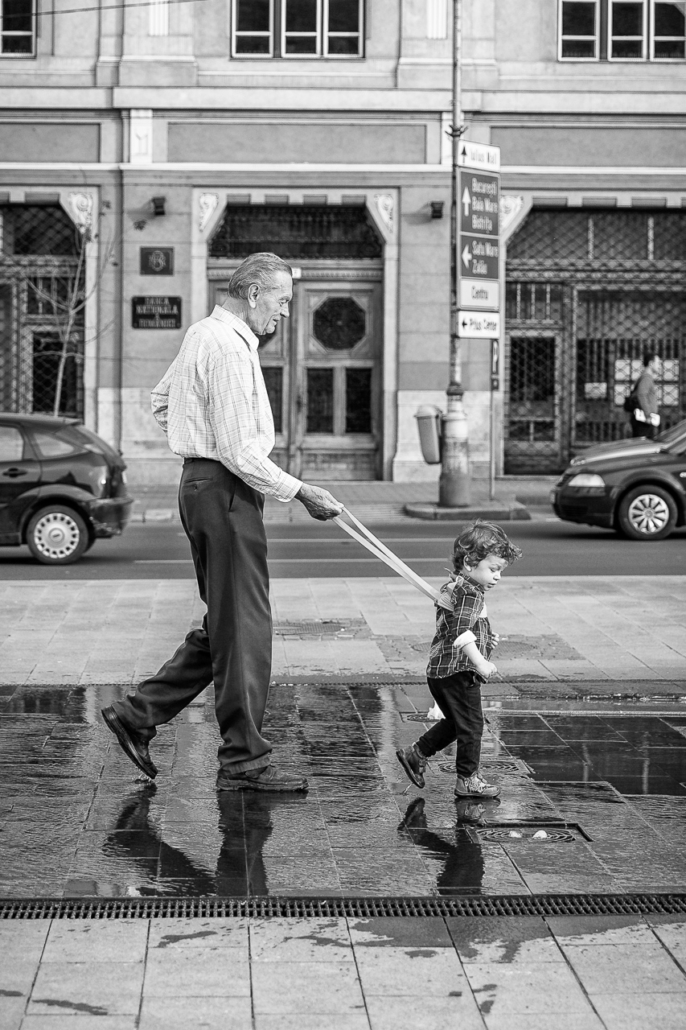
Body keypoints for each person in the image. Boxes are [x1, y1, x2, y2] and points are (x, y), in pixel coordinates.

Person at [102, 252, 343, 793]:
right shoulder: (228, 346)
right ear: (254, 293)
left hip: (205, 484)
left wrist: (194, 449)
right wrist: (300, 492)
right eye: (281, 301)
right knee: (246, 627)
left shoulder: (202, 334)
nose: (283, 314)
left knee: (228, 625)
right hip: (226, 489)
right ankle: (244, 760)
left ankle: (139, 715)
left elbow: (163, 402)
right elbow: (239, 450)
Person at [396, 520, 522, 799]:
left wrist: (486, 639)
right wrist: (480, 661)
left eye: (500, 570)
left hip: (441, 671)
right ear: (469, 562)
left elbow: (462, 626)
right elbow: (460, 630)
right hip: (458, 671)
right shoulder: (470, 593)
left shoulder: (456, 586)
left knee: (458, 723)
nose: (498, 576)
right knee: (473, 726)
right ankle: (467, 780)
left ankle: (416, 753)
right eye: (493, 569)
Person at [630, 352, 661, 439]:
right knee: (642, 446)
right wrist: (648, 415)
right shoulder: (646, 378)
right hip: (644, 421)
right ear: (651, 364)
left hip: (644, 420)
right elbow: (641, 395)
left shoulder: (645, 377)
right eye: (658, 363)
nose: (659, 366)